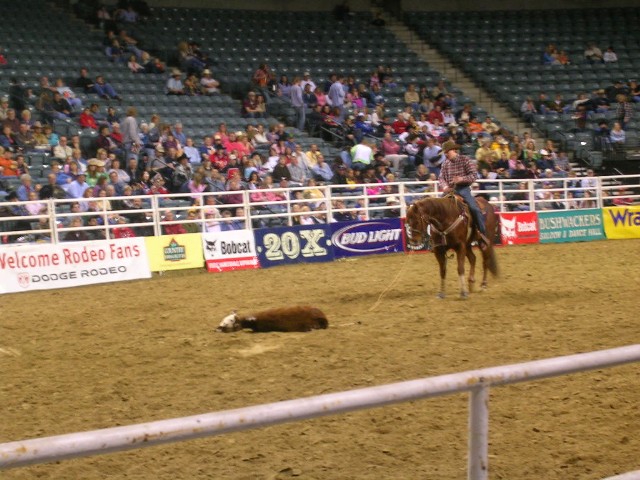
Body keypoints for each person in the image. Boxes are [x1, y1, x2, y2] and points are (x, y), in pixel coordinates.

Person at [438, 140, 487, 243]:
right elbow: (441, 178)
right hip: (449, 190)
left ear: (454, 150)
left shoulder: (465, 160)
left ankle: (482, 233)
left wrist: (461, 179)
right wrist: (445, 186)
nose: (446, 154)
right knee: (438, 208)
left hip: (463, 189)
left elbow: (474, 175)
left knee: (474, 208)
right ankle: (438, 236)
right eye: (445, 152)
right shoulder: (445, 164)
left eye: (447, 152)